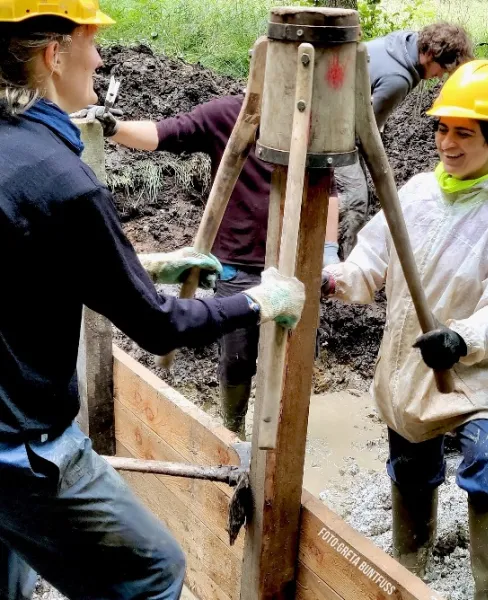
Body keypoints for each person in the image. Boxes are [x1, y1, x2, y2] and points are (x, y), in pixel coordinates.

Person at [0, 2, 305, 599]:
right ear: (53, 53)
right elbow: (160, 326)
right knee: (153, 570)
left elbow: (25, 263)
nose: (99, 56)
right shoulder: (61, 179)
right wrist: (260, 302)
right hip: (23, 449)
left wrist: (142, 265)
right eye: (90, 41)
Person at [321, 61, 488, 598]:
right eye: (441, 129)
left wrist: (462, 338)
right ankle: (409, 568)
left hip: (479, 376)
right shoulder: (420, 192)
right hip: (412, 363)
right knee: (411, 467)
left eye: (463, 133)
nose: (447, 143)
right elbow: (371, 261)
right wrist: (337, 280)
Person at [78, 91, 339, 439]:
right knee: (236, 358)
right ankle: (233, 429)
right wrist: (114, 128)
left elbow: (329, 191)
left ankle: (286, 436)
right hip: (237, 263)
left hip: (297, 263)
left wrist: (330, 250)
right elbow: (164, 134)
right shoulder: (229, 115)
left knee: (297, 357)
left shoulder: (311, 124)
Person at [336, 22, 474, 260]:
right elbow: (363, 133)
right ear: (429, 54)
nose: (439, 76)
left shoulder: (403, 41)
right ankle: (338, 266)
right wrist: (377, 167)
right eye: (442, 68)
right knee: (356, 202)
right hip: (331, 129)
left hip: (336, 108)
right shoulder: (398, 79)